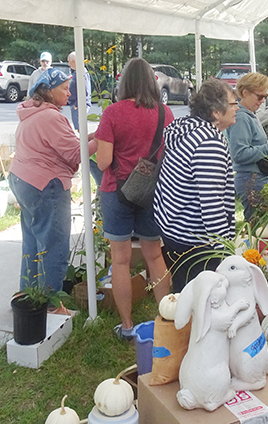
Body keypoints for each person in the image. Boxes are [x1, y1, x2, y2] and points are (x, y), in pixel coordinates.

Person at [94, 58, 173, 341]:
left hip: (117, 191)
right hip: (152, 191)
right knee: (154, 256)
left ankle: (127, 326)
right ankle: (166, 320)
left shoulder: (113, 113)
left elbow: (103, 162)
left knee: (121, 261)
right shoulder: (165, 113)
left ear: (124, 82)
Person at [9, 68, 98, 310]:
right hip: (45, 185)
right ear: (48, 91)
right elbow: (74, 152)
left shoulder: (32, 112)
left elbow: (67, 142)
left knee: (32, 242)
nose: (70, 93)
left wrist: (90, 135)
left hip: (21, 180)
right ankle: (51, 304)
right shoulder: (51, 117)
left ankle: (27, 295)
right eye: (65, 88)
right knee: (54, 244)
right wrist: (101, 139)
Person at [154, 78, 238, 292]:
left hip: (174, 231)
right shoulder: (208, 143)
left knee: (184, 295)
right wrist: (225, 253)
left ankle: (181, 325)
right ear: (216, 112)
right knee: (202, 304)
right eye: (233, 103)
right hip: (196, 242)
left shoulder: (187, 130)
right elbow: (212, 204)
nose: (237, 108)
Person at [225, 73, 268, 222]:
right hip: (251, 180)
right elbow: (239, 153)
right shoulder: (242, 118)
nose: (263, 101)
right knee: (259, 227)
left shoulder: (249, 114)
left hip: (257, 178)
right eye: (260, 97)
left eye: (265, 97)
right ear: (245, 93)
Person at [67, 51, 92, 132]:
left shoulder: (81, 73)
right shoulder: (78, 72)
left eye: (69, 62)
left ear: (74, 61)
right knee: (79, 128)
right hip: (76, 104)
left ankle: (83, 144)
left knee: (80, 128)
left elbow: (84, 90)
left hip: (79, 105)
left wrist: (77, 105)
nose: (69, 64)